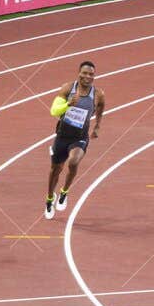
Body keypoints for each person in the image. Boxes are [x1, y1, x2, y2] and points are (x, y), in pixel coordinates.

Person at [45, 60, 104, 218]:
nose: (88, 76)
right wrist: (67, 105)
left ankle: (64, 191)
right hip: (62, 136)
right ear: (79, 73)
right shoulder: (67, 88)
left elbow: (100, 108)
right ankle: (50, 198)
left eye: (91, 74)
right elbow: (53, 111)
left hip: (79, 138)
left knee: (73, 162)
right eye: (85, 73)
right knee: (55, 170)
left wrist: (97, 126)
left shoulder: (98, 94)